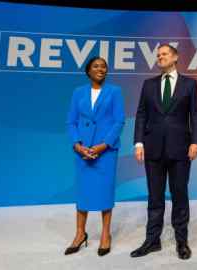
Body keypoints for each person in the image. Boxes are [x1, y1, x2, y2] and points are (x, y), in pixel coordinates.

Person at [131, 44, 197, 260]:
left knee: (180, 195)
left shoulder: (190, 84)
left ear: (175, 57)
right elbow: (141, 114)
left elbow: (196, 115)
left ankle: (182, 241)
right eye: (158, 55)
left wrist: (196, 142)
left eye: (164, 54)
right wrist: (138, 142)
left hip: (181, 148)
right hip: (152, 149)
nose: (160, 57)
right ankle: (152, 241)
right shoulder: (148, 84)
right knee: (155, 197)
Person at [65, 56, 125, 256]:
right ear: (88, 71)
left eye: (104, 67)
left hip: (105, 151)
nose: (101, 69)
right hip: (82, 151)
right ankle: (80, 233)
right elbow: (71, 122)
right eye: (96, 66)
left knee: (105, 192)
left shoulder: (115, 92)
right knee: (83, 192)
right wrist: (77, 145)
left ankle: (105, 235)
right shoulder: (78, 93)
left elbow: (119, 122)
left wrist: (103, 145)